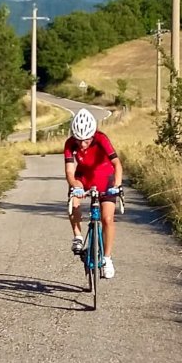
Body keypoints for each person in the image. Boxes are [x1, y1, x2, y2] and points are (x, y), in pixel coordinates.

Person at [63, 108, 123, 279]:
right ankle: (78, 236)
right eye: (79, 140)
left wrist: (117, 186)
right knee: (73, 196)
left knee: (107, 218)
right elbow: (69, 171)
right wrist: (75, 185)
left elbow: (117, 164)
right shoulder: (69, 143)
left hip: (105, 178)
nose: (82, 144)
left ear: (93, 134)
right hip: (84, 178)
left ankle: (107, 259)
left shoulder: (101, 139)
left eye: (86, 140)